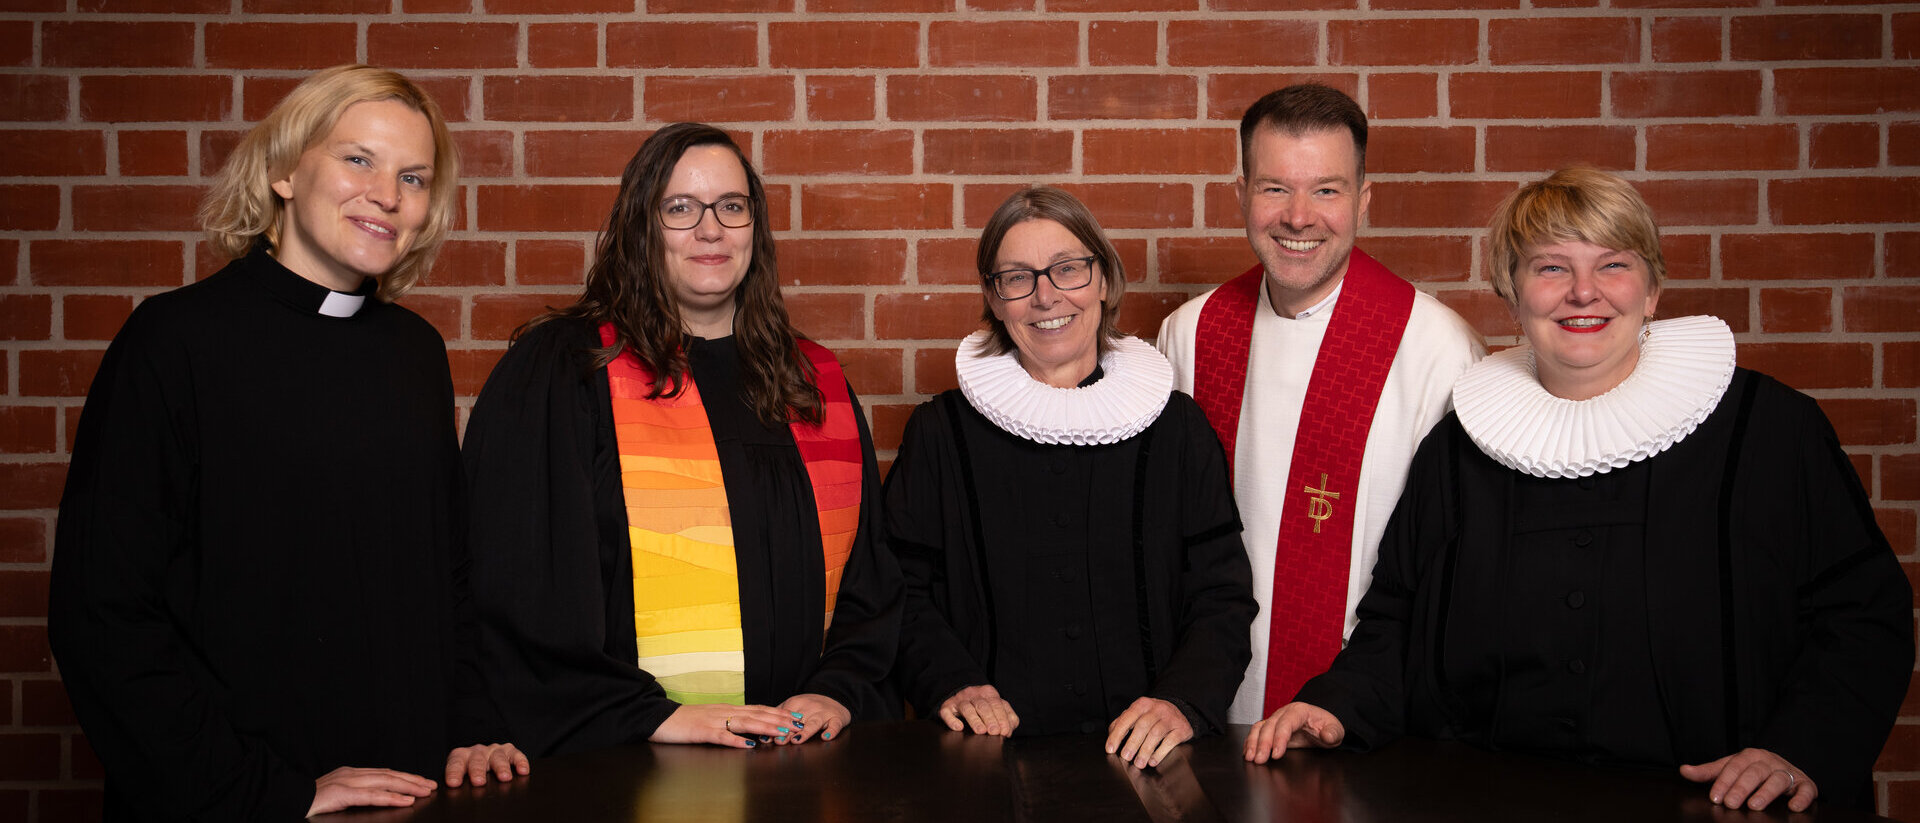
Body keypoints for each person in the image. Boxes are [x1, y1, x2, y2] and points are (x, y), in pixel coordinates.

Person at [1245, 167, 1914, 813]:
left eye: (1614, 265)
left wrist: (1797, 749)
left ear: (1651, 291)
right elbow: (1398, 620)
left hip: (1716, 805)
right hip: (1487, 801)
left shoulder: (1769, 431)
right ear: (1512, 294)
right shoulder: (1457, 452)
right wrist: (1334, 705)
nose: (1584, 292)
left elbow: (1862, 613)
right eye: (1551, 267)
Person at [48, 65, 526, 821]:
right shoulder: (172, 342)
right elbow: (104, 616)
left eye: (413, 176)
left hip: (407, 788)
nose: (387, 194)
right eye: (357, 159)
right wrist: (267, 792)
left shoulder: (415, 353)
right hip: (237, 796)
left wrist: (473, 724)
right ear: (282, 172)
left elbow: (448, 577)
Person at [462, 123, 901, 758]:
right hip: (628, 759)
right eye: (679, 208)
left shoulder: (811, 380)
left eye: (731, 206)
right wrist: (654, 717)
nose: (711, 229)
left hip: (801, 758)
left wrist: (840, 687)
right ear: (641, 226)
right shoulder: (566, 369)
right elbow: (519, 584)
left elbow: (872, 575)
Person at [885, 186, 1257, 770]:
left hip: (1150, 758)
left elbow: (1222, 594)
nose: (1045, 296)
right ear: (995, 298)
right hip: (987, 758)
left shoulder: (1177, 427)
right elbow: (901, 587)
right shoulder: (940, 433)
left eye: (1068, 269)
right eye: (1017, 277)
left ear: (1104, 280)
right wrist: (951, 683)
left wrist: (1183, 701)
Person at [1156, 84, 1484, 724]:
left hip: (1361, 708)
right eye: (1275, 187)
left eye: (1326, 190)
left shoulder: (1437, 349)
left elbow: (1450, 573)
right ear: (1242, 195)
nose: (1298, 217)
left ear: (1364, 200)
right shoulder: (1189, 334)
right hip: (1199, 700)